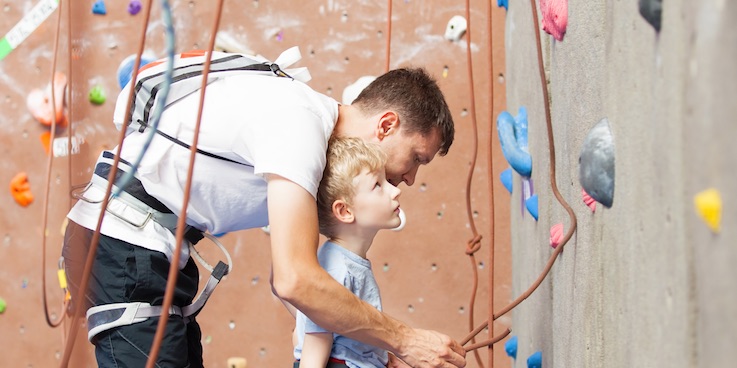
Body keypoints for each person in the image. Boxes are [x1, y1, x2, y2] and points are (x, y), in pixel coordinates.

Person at [62, 48, 465, 368]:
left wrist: (369, 351)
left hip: (142, 248)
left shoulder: (310, 138)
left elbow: (289, 281)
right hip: (125, 244)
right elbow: (296, 281)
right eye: (416, 158)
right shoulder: (299, 127)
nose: (410, 178)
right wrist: (406, 340)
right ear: (386, 125)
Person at [292, 136, 399, 368]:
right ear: (345, 210)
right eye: (378, 185)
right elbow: (314, 346)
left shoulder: (346, 261)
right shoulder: (336, 268)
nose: (395, 191)